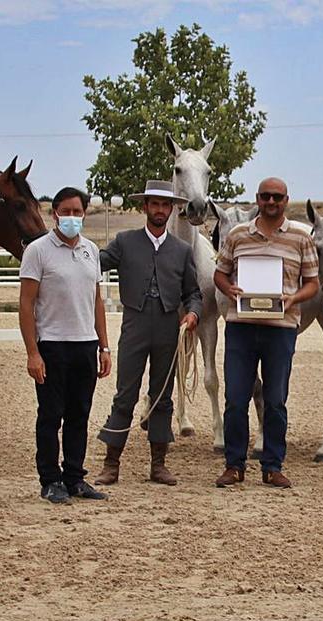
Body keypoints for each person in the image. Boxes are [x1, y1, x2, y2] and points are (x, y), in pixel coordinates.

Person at [94, 180, 203, 487]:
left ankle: (159, 464)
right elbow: (96, 263)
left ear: (171, 210)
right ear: (145, 207)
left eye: (165, 205)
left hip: (169, 326)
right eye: (154, 204)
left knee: (163, 396)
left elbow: (193, 292)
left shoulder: (181, 251)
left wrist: (193, 312)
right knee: (124, 395)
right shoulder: (125, 241)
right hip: (134, 325)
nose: (159, 210)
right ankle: (111, 464)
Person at [213, 177, 319, 489]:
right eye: (265, 197)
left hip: (281, 329)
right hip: (241, 327)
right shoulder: (237, 235)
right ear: (257, 199)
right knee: (235, 399)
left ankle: (272, 465)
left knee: (275, 400)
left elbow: (313, 282)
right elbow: (219, 273)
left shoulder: (301, 238)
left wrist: (294, 299)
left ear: (286, 200)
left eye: (277, 197)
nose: (271, 202)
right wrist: (229, 288)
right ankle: (234, 465)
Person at [19, 187, 112, 504]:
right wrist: (33, 352)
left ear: (85, 213)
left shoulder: (90, 251)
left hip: (85, 345)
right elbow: (26, 303)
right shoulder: (38, 251)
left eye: (78, 211)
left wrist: (104, 346)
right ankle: (50, 479)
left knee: (79, 415)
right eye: (66, 211)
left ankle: (74, 477)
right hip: (53, 345)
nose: (72, 217)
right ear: (54, 212)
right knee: (50, 415)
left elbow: (96, 300)